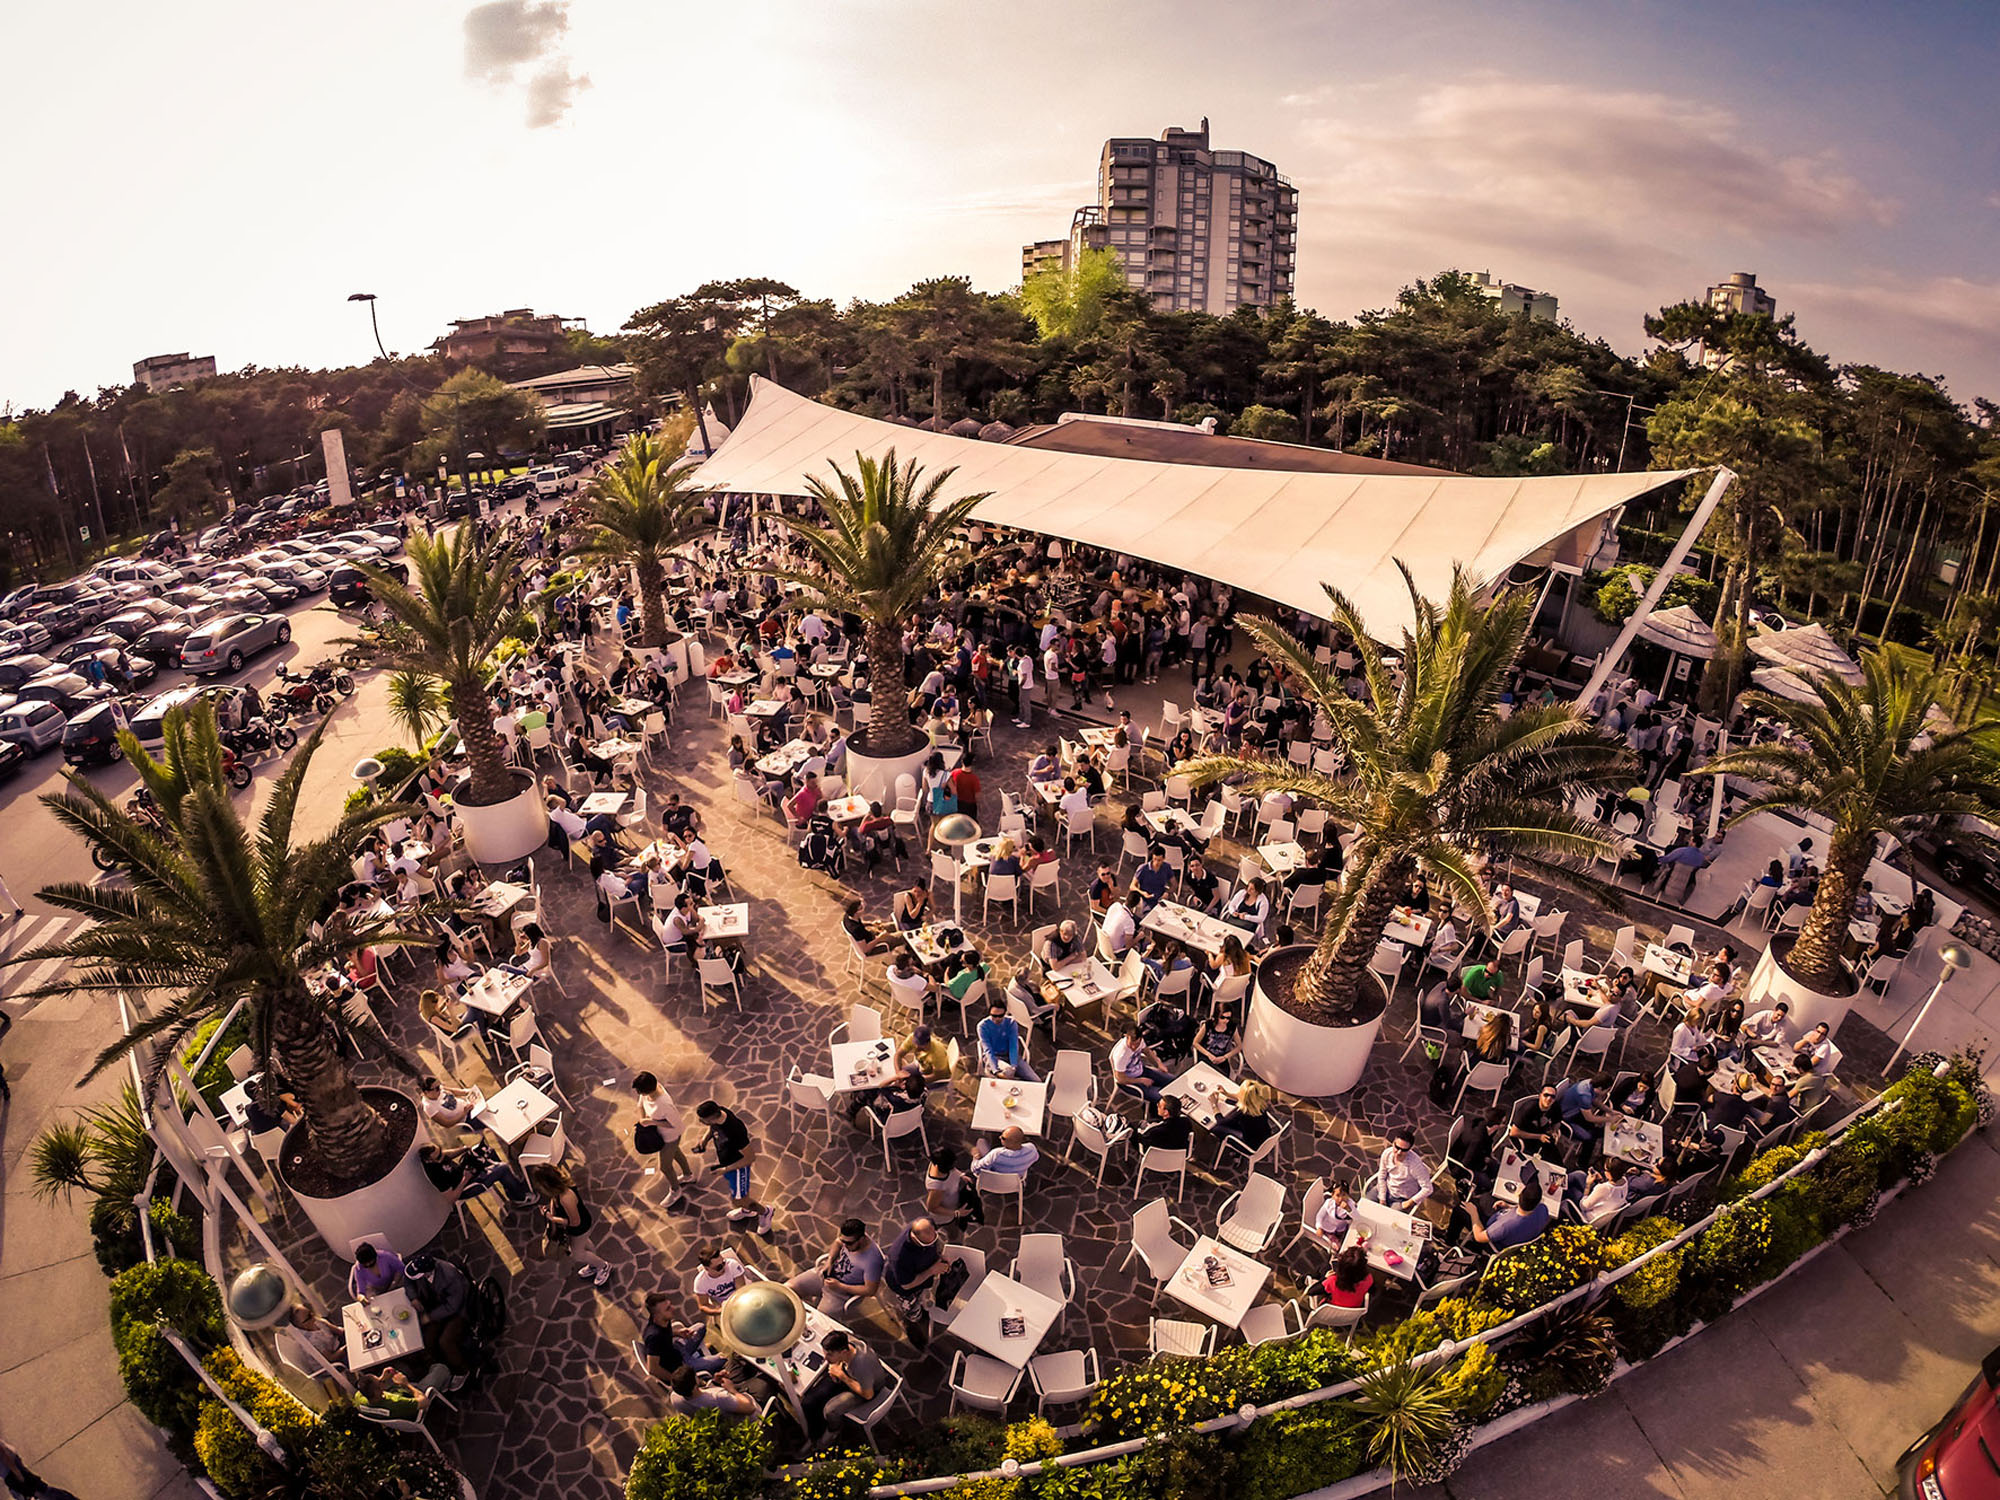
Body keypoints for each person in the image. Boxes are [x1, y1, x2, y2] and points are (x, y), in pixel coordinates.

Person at [692, 1100, 775, 1234]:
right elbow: (712, 1127)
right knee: (740, 1197)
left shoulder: (734, 1131)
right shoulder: (720, 1113)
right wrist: (704, 1140)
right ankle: (748, 1210)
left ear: (712, 1116)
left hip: (738, 1167)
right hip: (727, 1163)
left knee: (739, 1200)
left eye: (703, 1120)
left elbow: (749, 1157)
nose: (701, 1122)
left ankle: (765, 1212)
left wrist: (725, 1169)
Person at [530, 1162, 612, 1287]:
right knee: (584, 1244)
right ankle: (594, 1263)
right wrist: (550, 1211)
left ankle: (603, 1266)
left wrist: (551, 1218)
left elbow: (575, 1222)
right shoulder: (558, 1190)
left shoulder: (566, 1198)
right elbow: (553, 1200)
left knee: (577, 1254)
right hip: (578, 1227)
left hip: (580, 1227)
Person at [800, 1329, 884, 1445]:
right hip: (848, 1375)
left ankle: (833, 1431)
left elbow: (868, 1395)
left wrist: (842, 1376)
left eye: (829, 1354)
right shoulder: (847, 1342)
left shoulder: (861, 1365)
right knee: (809, 1402)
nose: (825, 1358)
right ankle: (813, 1435)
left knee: (830, 1410)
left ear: (844, 1352)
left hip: (868, 1390)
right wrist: (837, 1365)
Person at [789, 1217, 885, 1317]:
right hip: (825, 1274)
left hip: (841, 1293)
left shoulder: (873, 1261)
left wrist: (839, 1286)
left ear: (861, 1239)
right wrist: (830, 1260)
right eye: (844, 1241)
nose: (845, 1245)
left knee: (819, 1320)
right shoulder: (850, 1239)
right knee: (788, 1288)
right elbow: (837, 1243)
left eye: (849, 1243)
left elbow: (870, 1290)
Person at [402, 1253, 475, 1379]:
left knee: (445, 1342)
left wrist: (430, 1317)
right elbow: (408, 1280)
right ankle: (443, 1367)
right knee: (428, 1340)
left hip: (459, 1311)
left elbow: (453, 1306)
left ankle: (463, 1371)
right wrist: (413, 1298)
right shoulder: (418, 1267)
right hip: (436, 1306)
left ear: (428, 1272)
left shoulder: (450, 1276)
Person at [881, 1216, 950, 1343]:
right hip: (905, 1288)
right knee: (911, 1307)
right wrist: (932, 1271)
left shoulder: (925, 1225)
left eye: (935, 1236)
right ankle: (914, 1318)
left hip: (919, 1275)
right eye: (928, 1243)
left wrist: (939, 1254)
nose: (933, 1241)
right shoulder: (900, 1257)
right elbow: (906, 1285)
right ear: (914, 1238)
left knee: (921, 1295)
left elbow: (933, 1241)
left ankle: (918, 1311)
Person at [633, 1071, 692, 1212]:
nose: (638, 1093)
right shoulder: (648, 1092)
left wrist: (652, 1122)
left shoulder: (664, 1104)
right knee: (676, 1153)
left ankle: (675, 1190)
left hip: (670, 1136)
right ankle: (688, 1175)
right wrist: (643, 1121)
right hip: (660, 1134)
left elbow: (675, 1124)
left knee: (665, 1167)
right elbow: (640, 1105)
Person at [641, 1288, 725, 1385]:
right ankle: (701, 1361)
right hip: (681, 1365)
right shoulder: (654, 1338)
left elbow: (664, 1334)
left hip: (677, 1349)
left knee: (701, 1327)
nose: (673, 1308)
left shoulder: (661, 1321)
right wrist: (679, 1380)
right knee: (722, 1359)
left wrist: (678, 1332)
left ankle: (700, 1356)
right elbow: (653, 1369)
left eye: (670, 1305)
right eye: (668, 1308)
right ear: (657, 1315)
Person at [418, 1141, 530, 1206]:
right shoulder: (434, 1174)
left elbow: (446, 1155)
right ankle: (519, 1198)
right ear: (429, 1160)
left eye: (441, 1151)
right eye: (439, 1156)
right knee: (503, 1168)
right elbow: (451, 1199)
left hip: (464, 1173)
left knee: (487, 1151)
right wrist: (465, 1179)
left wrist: (465, 1149)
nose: (442, 1156)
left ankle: (511, 1186)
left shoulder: (436, 1156)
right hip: (466, 1187)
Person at [1467, 1176, 1552, 1251]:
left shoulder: (1504, 1226)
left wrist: (1474, 1214)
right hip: (1515, 1233)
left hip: (1493, 1239)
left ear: (1519, 1196)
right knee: (1486, 1198)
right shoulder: (1543, 1209)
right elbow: (1525, 1211)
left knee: (1462, 1209)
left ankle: (1458, 1242)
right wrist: (1509, 1207)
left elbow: (1479, 1237)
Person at [1109, 1021, 1173, 1104]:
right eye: (1132, 1044)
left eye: (1137, 1044)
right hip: (1128, 1083)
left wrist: (1159, 1063)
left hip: (1142, 1071)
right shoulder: (1121, 1055)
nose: (1134, 1047)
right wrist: (1141, 1080)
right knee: (1164, 1098)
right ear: (1126, 1037)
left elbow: (1148, 1052)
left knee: (1173, 1081)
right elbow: (1120, 1079)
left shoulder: (1140, 1041)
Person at [977, 996, 1039, 1081]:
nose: (997, 1019)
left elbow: (1013, 1045)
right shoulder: (983, 1026)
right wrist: (995, 1070)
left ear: (1005, 1013)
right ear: (989, 1013)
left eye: (1000, 1016)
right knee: (1006, 1076)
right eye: (994, 1016)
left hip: (1010, 1055)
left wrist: (1014, 1066)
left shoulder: (1011, 1023)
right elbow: (988, 1050)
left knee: (1036, 1080)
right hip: (995, 1057)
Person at [1210, 1080, 1279, 1155]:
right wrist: (1226, 1095)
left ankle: (1235, 1152)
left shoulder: (1242, 1113)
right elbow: (1245, 1101)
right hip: (1264, 1138)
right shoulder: (1261, 1104)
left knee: (1216, 1128)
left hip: (1251, 1147)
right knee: (1233, 1123)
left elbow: (1221, 1122)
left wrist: (1214, 1105)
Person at [1372, 1127, 1434, 1210]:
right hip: (1386, 1188)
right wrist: (1382, 1198)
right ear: (1393, 1143)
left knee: (1388, 1220)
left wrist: (1409, 1202)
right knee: (1365, 1206)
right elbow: (1382, 1176)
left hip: (1401, 1198)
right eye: (1397, 1147)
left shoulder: (1415, 1164)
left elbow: (1428, 1188)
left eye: (1404, 1150)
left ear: (1409, 1149)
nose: (1399, 1153)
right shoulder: (1387, 1153)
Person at [970, 1125, 1041, 1180]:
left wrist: (975, 1157)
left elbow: (975, 1169)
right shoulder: (1031, 1149)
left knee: (981, 1141)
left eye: (1003, 1138)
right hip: (1016, 1181)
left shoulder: (997, 1153)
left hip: (995, 1179)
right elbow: (1036, 1158)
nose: (999, 1137)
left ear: (1013, 1142)